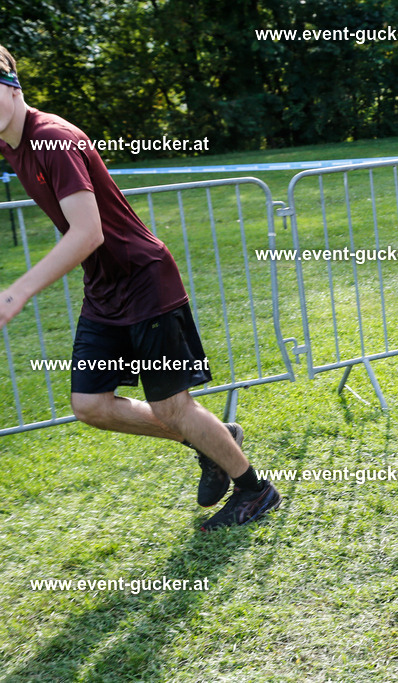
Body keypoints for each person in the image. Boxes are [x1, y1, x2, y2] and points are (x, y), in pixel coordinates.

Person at [0, 46, 280, 531]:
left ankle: (256, 491)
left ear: (10, 85)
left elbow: (88, 233)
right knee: (90, 404)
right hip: (105, 288)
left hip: (145, 281)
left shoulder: (52, 139)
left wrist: (16, 292)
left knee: (172, 405)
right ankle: (214, 440)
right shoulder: (12, 143)